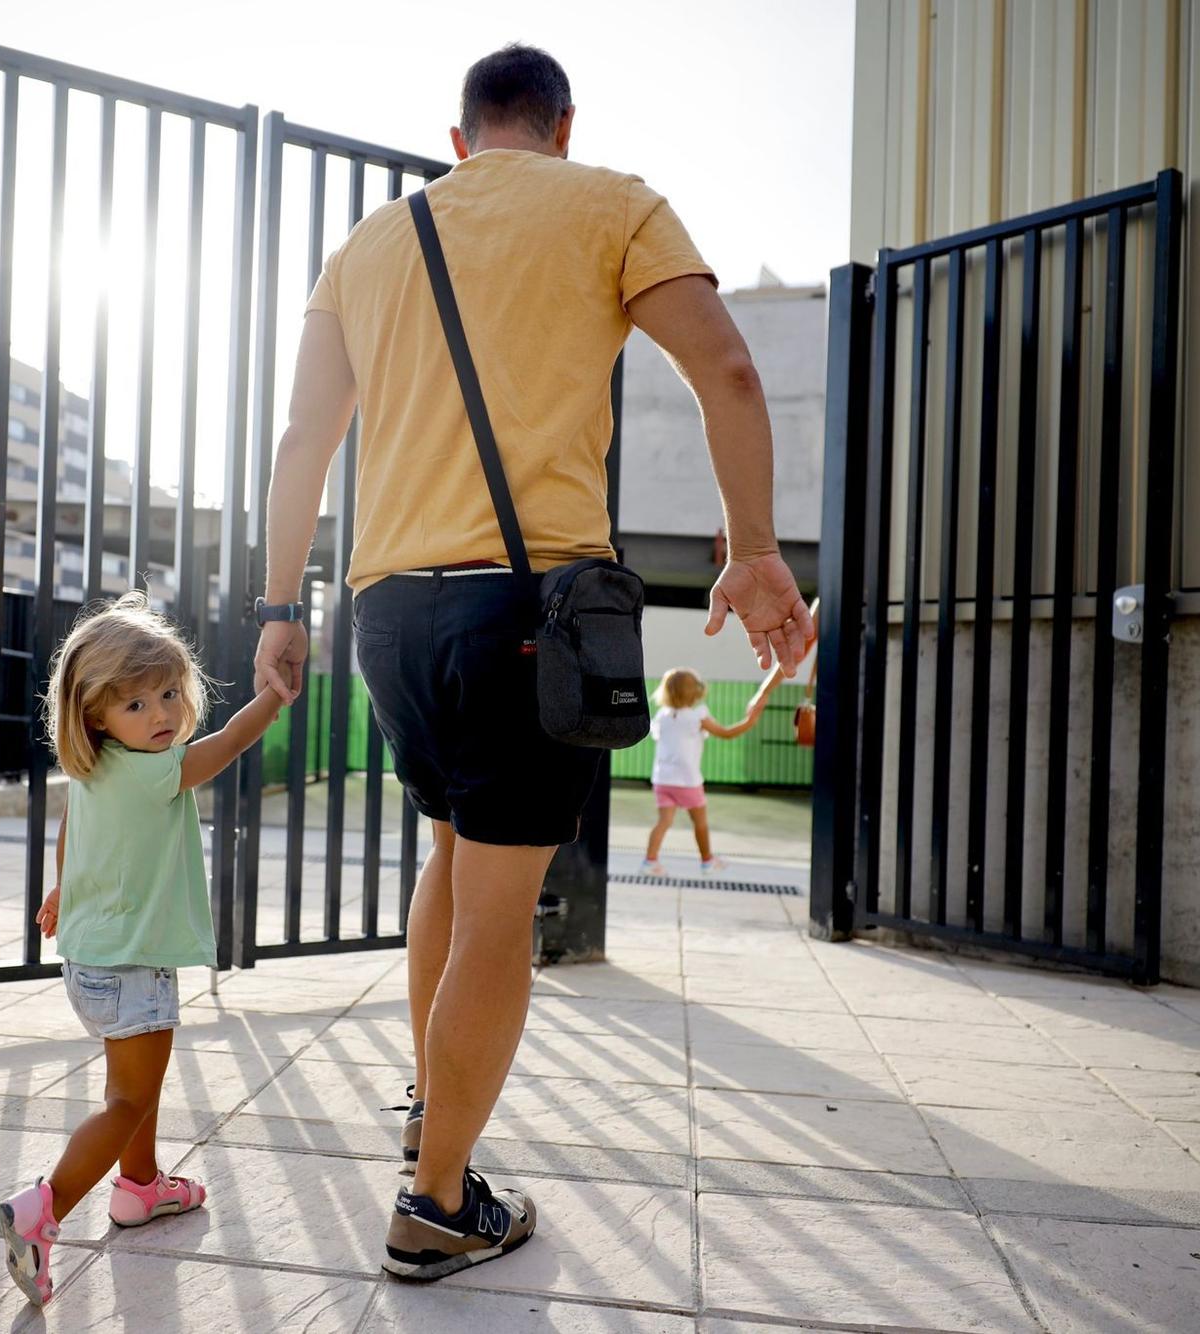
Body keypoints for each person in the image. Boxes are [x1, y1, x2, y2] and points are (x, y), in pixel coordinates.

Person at [250, 44, 813, 1282]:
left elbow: (303, 434)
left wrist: (274, 602)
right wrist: (755, 551)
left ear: (458, 140)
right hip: (524, 609)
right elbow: (724, 368)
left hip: (385, 607)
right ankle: (438, 1200)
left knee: (450, 852)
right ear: (561, 126)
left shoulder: (372, 239)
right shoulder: (612, 202)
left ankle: (426, 1114)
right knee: (503, 903)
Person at [0, 593, 284, 1308]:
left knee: (134, 1088)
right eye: (136, 705)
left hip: (92, 961)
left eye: (167, 695)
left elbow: (69, 826)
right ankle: (43, 1207)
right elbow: (224, 749)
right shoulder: (156, 770)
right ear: (95, 714)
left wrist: (62, 888)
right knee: (128, 1097)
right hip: (131, 967)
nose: (159, 715)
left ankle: (141, 1187)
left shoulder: (93, 768)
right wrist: (271, 702)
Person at [642, 667, 776, 875]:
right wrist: (750, 720)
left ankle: (650, 862)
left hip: (662, 780)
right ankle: (707, 862)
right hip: (688, 782)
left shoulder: (662, 716)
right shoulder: (697, 716)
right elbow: (727, 733)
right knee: (700, 823)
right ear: (695, 693)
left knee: (663, 821)